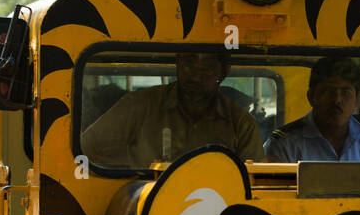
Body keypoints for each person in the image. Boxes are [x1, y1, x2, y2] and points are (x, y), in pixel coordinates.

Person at [81, 51, 264, 167]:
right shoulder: (139, 105)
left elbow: (255, 181)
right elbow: (85, 149)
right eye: (188, 64)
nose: (195, 76)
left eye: (207, 68)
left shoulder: (240, 123)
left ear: (224, 72)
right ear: (177, 63)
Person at [264, 56, 360, 162]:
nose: (337, 100)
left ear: (356, 100)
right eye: (329, 91)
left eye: (346, 92)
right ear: (311, 97)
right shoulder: (283, 145)